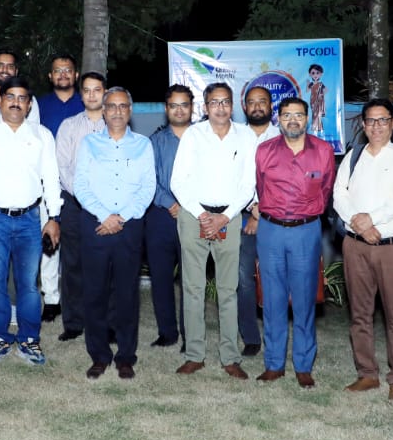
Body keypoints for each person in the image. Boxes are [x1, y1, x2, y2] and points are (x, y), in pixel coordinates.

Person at [0, 76, 62, 366]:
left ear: (29, 104)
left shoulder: (42, 135)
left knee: (28, 283)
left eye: (22, 98)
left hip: (30, 219)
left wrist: (53, 217)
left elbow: (51, 179)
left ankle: (30, 339)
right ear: (0, 101)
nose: (16, 103)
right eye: (10, 97)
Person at [331, 99, 393, 400]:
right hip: (355, 245)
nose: (377, 126)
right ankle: (366, 373)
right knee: (360, 313)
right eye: (371, 120)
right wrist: (359, 223)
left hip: (392, 248)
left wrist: (372, 218)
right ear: (363, 125)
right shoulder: (354, 156)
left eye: (383, 120)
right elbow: (339, 195)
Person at [170, 82, 257, 380]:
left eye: (225, 102)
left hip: (229, 218)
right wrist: (203, 215)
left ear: (233, 105)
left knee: (228, 289)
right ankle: (195, 355)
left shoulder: (246, 136)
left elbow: (249, 184)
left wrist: (225, 217)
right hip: (194, 215)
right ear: (205, 107)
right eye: (214, 102)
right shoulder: (193, 135)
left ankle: (230, 356)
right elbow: (178, 181)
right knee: (192, 288)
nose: (220, 107)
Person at [253, 96, 336, 388]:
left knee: (304, 299)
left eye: (298, 115)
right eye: (287, 115)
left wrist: (307, 213)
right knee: (272, 299)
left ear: (307, 118)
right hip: (271, 231)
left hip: (305, 231)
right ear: (279, 118)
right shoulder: (264, 151)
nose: (293, 120)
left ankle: (303, 365)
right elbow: (261, 187)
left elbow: (326, 190)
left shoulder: (323, 151)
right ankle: (274, 364)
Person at [72, 88, 155, 379]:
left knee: (127, 293)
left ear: (130, 111)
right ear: (104, 111)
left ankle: (126, 356)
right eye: (112, 106)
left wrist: (123, 217)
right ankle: (99, 355)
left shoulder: (143, 145)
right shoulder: (89, 143)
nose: (117, 111)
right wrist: (104, 216)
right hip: (96, 225)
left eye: (123, 106)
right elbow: (80, 184)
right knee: (94, 292)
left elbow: (148, 187)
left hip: (129, 228)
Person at [54, 72, 108, 341]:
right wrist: (84, 197)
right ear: (81, 93)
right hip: (74, 204)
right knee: (73, 263)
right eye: (86, 90)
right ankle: (74, 323)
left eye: (97, 90)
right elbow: (62, 166)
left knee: (106, 264)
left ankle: (105, 323)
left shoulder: (116, 124)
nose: (91, 95)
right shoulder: (69, 126)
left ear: (105, 92)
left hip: (108, 205)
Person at [35, 54, 82, 322]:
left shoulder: (87, 103)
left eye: (68, 70)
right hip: (47, 183)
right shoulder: (39, 105)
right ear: (50, 76)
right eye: (57, 70)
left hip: (79, 185)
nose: (63, 74)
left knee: (77, 245)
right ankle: (51, 299)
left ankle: (78, 298)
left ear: (76, 75)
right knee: (49, 241)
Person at [145, 85, 193, 348]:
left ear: (191, 107)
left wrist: (186, 205)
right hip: (161, 216)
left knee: (190, 279)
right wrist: (170, 203)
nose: (179, 110)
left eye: (184, 105)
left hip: (194, 215)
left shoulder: (202, 139)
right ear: (166, 109)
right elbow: (148, 179)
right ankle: (167, 332)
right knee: (161, 277)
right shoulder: (154, 141)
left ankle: (190, 334)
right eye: (174, 105)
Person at [235, 85, 278, 357]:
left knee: (274, 279)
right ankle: (250, 337)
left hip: (276, 220)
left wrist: (262, 213)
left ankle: (275, 335)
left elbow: (285, 181)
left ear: (271, 106)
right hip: (242, 217)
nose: (257, 106)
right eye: (252, 102)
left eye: (262, 101)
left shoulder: (283, 137)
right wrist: (252, 208)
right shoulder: (235, 137)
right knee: (244, 280)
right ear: (245, 107)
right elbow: (231, 179)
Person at [0, 49, 40, 125]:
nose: (5, 70)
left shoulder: (27, 99)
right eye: (0, 66)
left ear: (16, 72)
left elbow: (33, 129)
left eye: (10, 67)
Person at [307, 64, 326, 137]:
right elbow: (307, 90)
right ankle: (315, 127)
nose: (315, 75)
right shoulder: (311, 84)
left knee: (318, 114)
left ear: (321, 74)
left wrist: (321, 95)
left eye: (317, 73)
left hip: (319, 101)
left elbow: (326, 90)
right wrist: (307, 84)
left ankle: (319, 127)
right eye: (313, 73)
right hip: (313, 100)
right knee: (314, 113)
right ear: (310, 74)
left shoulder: (320, 84)